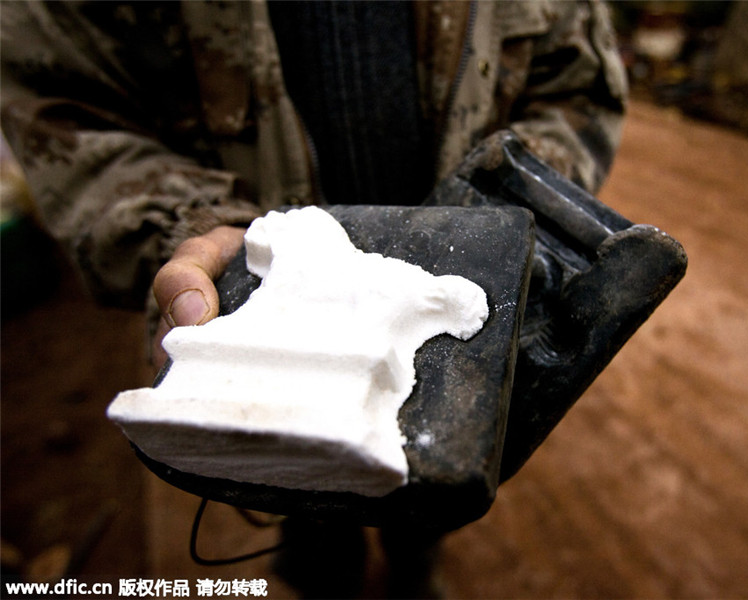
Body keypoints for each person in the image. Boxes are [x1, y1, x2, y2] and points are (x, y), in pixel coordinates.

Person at [1, 1, 628, 596]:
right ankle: (323, 555)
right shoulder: (299, 248)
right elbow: (66, 104)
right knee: (303, 480)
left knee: (433, 474)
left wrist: (512, 226)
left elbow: (574, 86)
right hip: (259, 259)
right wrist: (190, 221)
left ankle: (415, 556)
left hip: (454, 283)